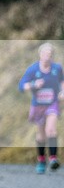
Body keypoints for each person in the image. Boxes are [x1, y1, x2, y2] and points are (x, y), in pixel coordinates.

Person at [18, 42, 64, 174]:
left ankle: (53, 158)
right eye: (45, 53)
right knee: (41, 134)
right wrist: (33, 85)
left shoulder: (57, 68)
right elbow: (21, 86)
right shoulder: (33, 69)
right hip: (38, 105)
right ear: (40, 54)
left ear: (52, 56)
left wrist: (62, 92)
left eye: (50, 54)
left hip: (52, 103)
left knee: (51, 129)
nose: (47, 56)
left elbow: (62, 81)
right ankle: (41, 160)